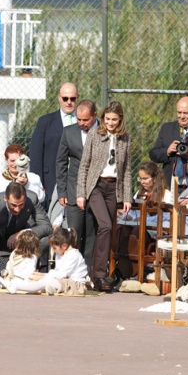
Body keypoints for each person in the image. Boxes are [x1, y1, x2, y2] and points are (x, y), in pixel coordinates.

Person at [76, 101, 132, 292]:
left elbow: (126, 170)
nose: (110, 122)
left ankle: (95, 275)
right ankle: (99, 274)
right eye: (107, 119)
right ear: (102, 118)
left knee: (106, 230)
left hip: (113, 187)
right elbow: (84, 165)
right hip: (96, 186)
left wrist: (127, 197)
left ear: (120, 119)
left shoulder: (125, 138)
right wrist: (81, 193)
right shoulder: (95, 134)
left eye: (114, 119)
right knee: (106, 226)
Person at [0, 182, 52, 285]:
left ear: (25, 199)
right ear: (5, 198)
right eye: (13, 205)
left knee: (46, 238)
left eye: (21, 205)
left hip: (19, 240)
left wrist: (22, 233)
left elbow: (47, 227)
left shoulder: (32, 198)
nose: (17, 209)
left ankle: (23, 269)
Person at [56, 99, 98, 268]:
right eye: (79, 119)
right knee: (74, 233)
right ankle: (72, 268)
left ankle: (88, 271)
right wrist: (62, 192)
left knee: (91, 234)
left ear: (94, 116)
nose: (81, 123)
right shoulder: (69, 132)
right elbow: (61, 162)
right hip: (73, 191)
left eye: (86, 120)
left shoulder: (104, 132)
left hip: (95, 191)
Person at [0, 227, 88, 295]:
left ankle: (15, 286)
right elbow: (57, 272)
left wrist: (42, 277)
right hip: (64, 281)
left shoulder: (73, 255)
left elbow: (61, 275)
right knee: (38, 280)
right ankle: (48, 289)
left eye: (54, 248)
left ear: (64, 246)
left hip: (75, 284)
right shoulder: (61, 253)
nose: (53, 250)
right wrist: (41, 275)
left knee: (43, 282)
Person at [30, 82, 79, 208]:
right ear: (59, 98)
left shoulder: (84, 122)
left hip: (77, 184)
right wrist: (39, 185)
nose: (69, 102)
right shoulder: (45, 122)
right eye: (65, 98)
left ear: (77, 98)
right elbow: (36, 155)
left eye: (72, 99)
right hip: (50, 182)